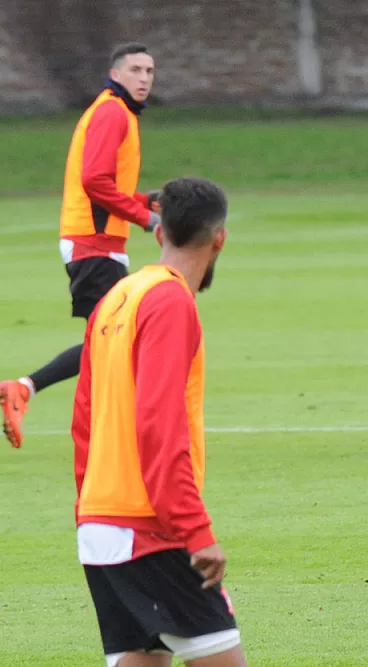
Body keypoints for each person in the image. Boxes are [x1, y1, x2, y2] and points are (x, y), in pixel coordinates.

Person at [72, 177, 247, 666]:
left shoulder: (117, 296)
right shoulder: (170, 303)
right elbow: (158, 424)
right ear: (220, 238)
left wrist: (88, 512)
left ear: (158, 233)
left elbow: (83, 422)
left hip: (103, 527)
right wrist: (195, 531)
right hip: (149, 529)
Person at [2, 43, 162, 449]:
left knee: (111, 338)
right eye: (136, 70)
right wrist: (146, 218)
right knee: (116, 339)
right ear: (116, 74)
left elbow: (107, 184)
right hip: (93, 244)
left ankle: (24, 390)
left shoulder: (117, 111)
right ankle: (103, 430)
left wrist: (145, 202)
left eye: (150, 71)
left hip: (100, 242)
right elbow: (95, 181)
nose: (144, 78)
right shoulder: (111, 112)